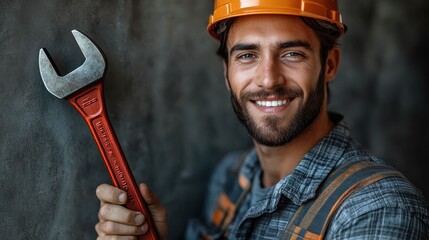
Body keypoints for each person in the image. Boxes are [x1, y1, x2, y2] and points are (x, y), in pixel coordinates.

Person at [95, 0, 429, 239]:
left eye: (292, 53)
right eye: (247, 55)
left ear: (329, 65)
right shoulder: (230, 177)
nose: (268, 79)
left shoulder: (378, 210)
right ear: (226, 72)